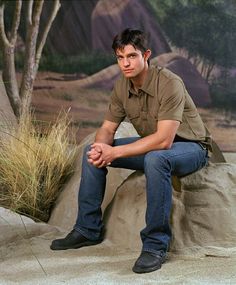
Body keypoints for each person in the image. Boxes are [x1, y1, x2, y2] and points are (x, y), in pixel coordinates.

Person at [50, 28, 211, 274]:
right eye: (120, 57)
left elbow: (164, 141)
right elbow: (107, 128)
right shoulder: (121, 86)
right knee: (92, 150)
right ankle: (87, 229)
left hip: (191, 147)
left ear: (146, 55)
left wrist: (114, 154)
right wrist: (103, 148)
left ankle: (155, 245)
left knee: (157, 159)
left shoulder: (170, 83)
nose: (125, 63)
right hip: (154, 144)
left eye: (132, 56)